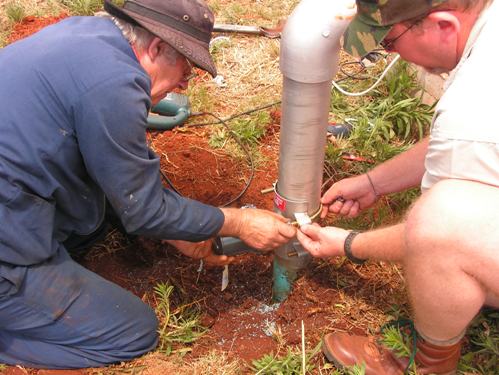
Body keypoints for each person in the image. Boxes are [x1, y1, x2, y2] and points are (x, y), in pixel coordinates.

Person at [0, 0, 296, 369]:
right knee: (133, 332)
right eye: (186, 66)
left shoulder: (85, 37)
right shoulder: (115, 84)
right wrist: (241, 222)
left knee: (92, 222)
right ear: (156, 47)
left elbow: (123, 182)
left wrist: (177, 231)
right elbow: (142, 208)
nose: (187, 81)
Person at [297, 0, 499, 374]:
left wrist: (347, 243)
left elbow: (436, 235)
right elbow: (461, 145)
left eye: (389, 43)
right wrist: (374, 182)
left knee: (441, 222)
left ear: (443, 25)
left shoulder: (473, 109)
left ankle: (427, 365)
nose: (395, 55)